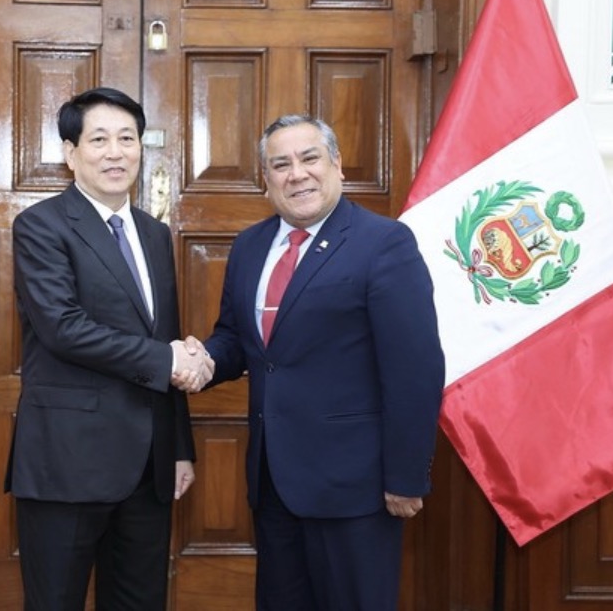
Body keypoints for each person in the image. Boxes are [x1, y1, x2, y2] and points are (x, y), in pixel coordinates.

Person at [186, 115, 444, 610]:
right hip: (273, 481)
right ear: (267, 180)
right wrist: (203, 362)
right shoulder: (249, 246)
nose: (296, 174)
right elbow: (237, 341)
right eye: (280, 164)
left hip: (356, 488)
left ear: (337, 165)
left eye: (309, 158)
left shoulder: (383, 243)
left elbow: (416, 370)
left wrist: (407, 476)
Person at [5, 86, 213, 611]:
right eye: (99, 139)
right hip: (67, 461)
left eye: (127, 138)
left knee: (140, 601)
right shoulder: (41, 226)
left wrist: (179, 445)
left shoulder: (154, 233)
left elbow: (166, 335)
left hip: (149, 465)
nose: (115, 152)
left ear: (142, 149)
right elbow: (62, 327)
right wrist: (169, 359)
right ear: (71, 153)